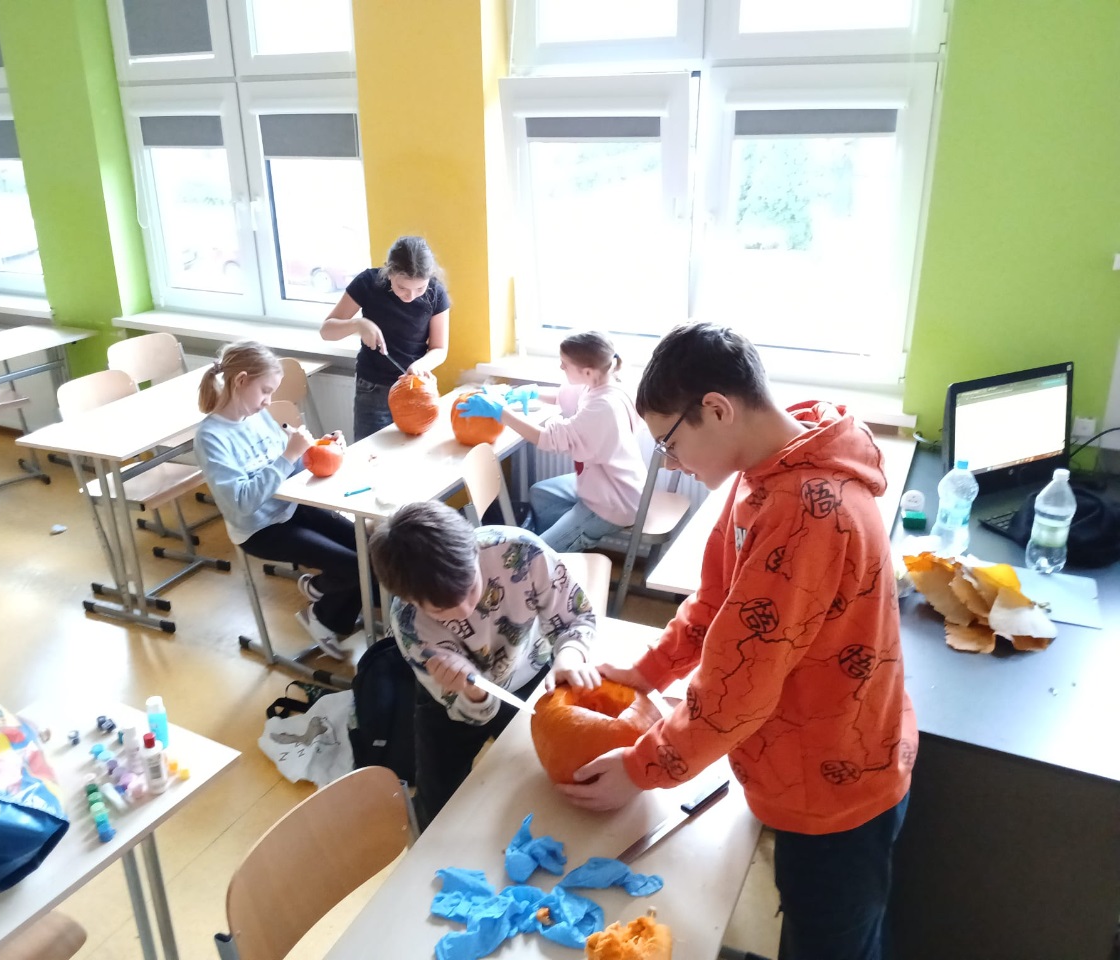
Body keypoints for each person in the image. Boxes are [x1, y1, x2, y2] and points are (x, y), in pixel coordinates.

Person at [559, 322, 916, 960]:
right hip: (803, 757)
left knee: (833, 943)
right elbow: (717, 603)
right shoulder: (764, 471)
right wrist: (650, 670)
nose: (670, 463)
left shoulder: (807, 512)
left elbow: (740, 685)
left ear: (718, 409)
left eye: (670, 442)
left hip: (835, 788)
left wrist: (642, 769)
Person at [368, 500, 599, 827]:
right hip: (452, 701)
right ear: (410, 601)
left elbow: (577, 617)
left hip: (531, 673)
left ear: (475, 551)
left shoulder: (522, 551)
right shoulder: (410, 624)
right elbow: (467, 707)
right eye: (440, 611)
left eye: (471, 588)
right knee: (436, 806)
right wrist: (472, 691)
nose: (465, 610)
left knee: (542, 778)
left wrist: (569, 655)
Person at [192, 340, 365, 658]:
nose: (268, 401)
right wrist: (288, 456)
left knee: (368, 545)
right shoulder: (210, 437)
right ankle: (322, 616)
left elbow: (292, 468)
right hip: (261, 529)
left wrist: (319, 449)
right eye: (265, 391)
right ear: (240, 381)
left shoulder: (256, 416)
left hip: (291, 507)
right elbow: (241, 502)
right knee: (355, 566)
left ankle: (319, 587)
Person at [457, 330, 646, 551]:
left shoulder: (603, 408)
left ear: (587, 371)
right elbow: (563, 396)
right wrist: (532, 392)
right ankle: (562, 548)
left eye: (565, 363)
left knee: (535, 553)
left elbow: (547, 439)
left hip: (612, 503)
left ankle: (552, 553)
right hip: (604, 482)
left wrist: (501, 413)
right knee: (541, 494)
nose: (561, 366)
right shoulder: (600, 383)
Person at [321, 235, 451, 440]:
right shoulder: (367, 283)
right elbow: (326, 331)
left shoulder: (436, 293)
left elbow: (439, 348)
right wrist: (358, 324)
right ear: (389, 272)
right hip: (373, 390)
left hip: (416, 391)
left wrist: (421, 365)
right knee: (370, 452)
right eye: (402, 288)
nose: (410, 296)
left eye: (420, 288)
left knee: (413, 452)